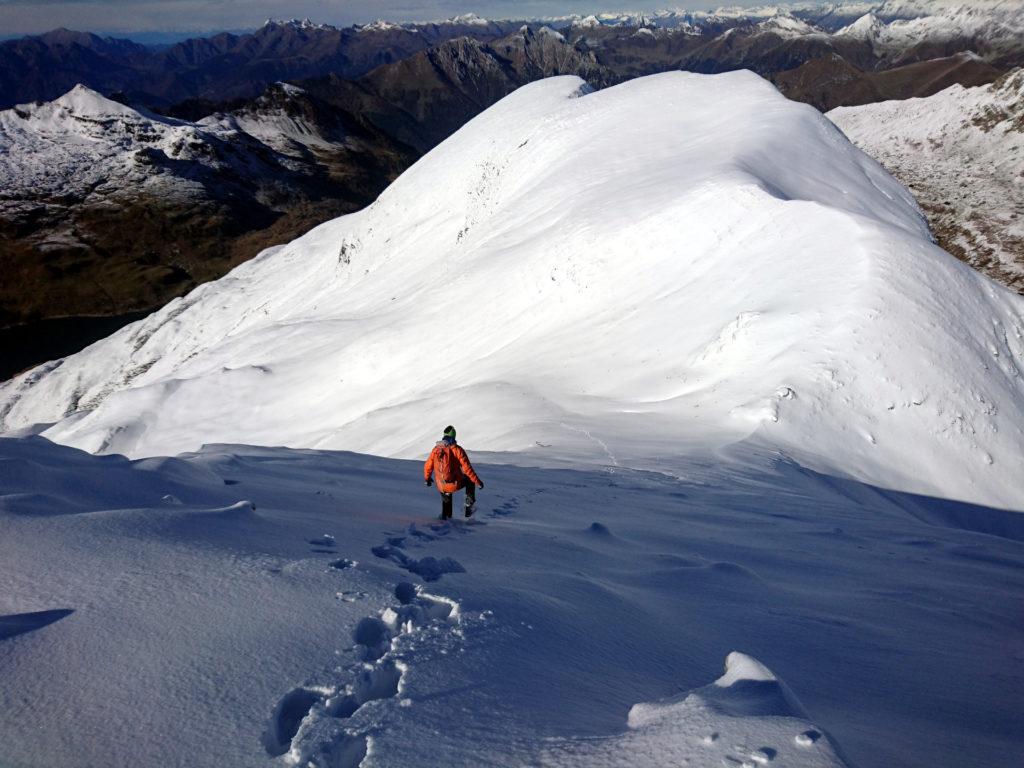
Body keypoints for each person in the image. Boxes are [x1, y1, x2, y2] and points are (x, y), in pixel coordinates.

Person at [423, 425, 484, 519]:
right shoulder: (457, 450)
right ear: (454, 436)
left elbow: (428, 466)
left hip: (441, 485)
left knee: (446, 499)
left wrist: (427, 479)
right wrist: (478, 482)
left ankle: (445, 519)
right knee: (470, 481)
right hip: (454, 483)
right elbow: (467, 469)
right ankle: (468, 507)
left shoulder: (436, 449)